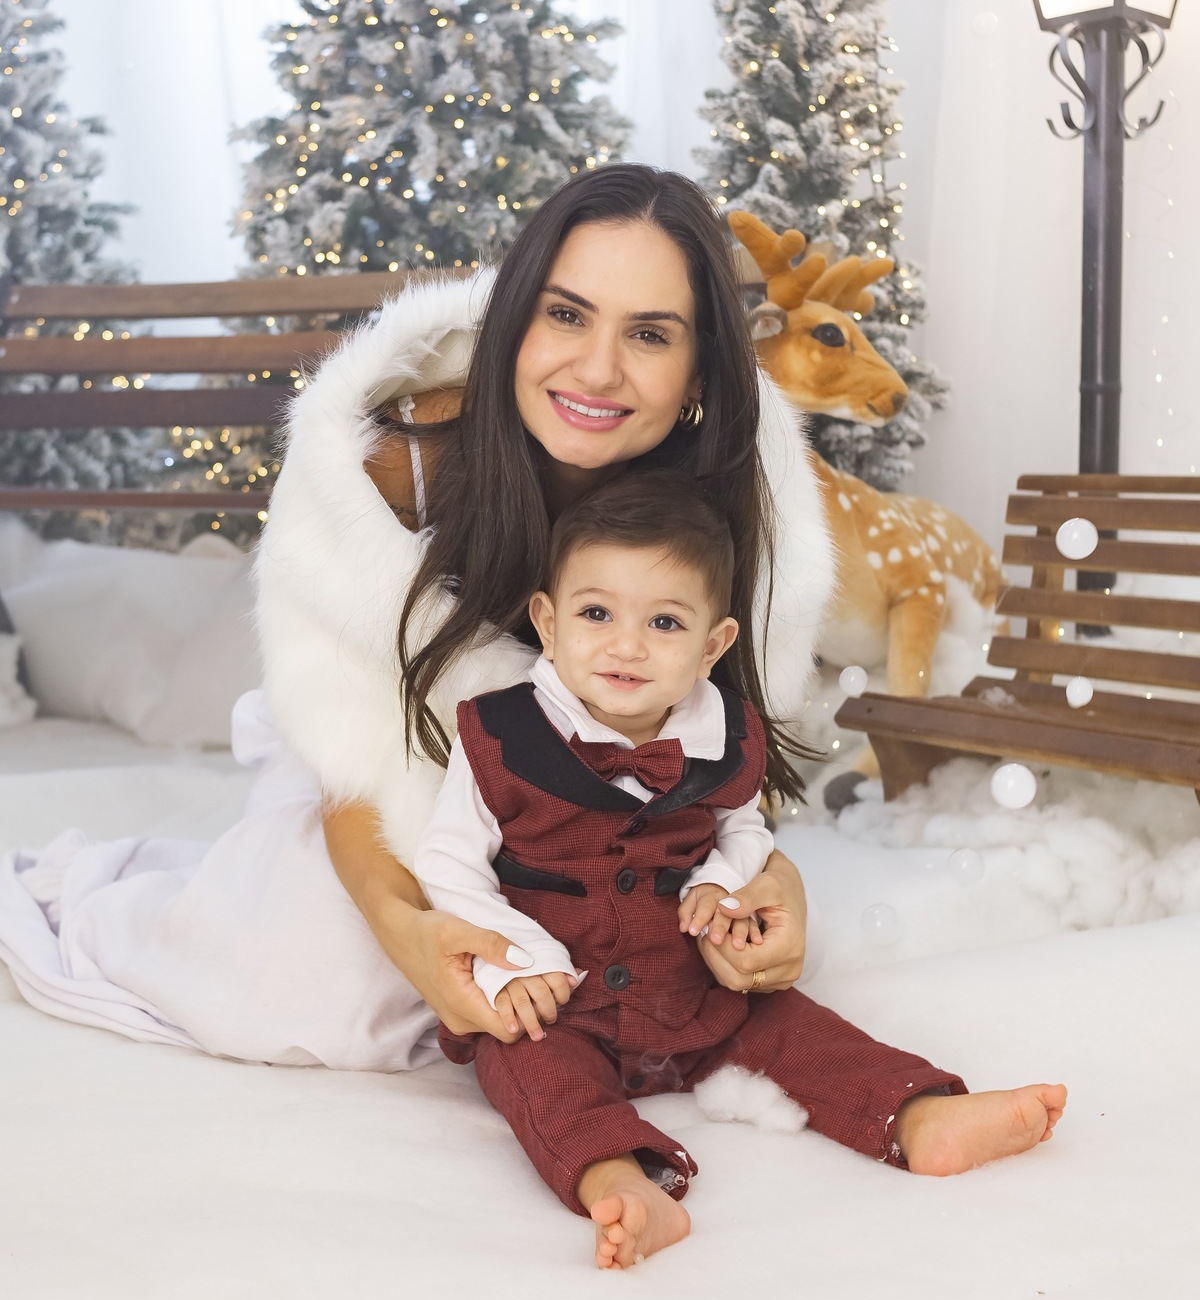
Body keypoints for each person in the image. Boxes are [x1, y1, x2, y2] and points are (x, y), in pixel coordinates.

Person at [0, 166, 830, 1068]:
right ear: (514, 316)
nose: (597, 368)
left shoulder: (739, 506)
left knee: (664, 983)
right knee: (336, 995)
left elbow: (725, 751)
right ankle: (113, 891)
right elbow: (353, 750)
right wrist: (405, 927)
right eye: (565, 314)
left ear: (700, 365)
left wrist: (768, 881)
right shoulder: (396, 463)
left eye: (649, 334)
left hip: (597, 800)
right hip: (391, 761)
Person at [415, 474, 1069, 1269]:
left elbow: (743, 829)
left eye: (664, 622)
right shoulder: (501, 732)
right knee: (525, 1065)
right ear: (548, 623)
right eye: (596, 614)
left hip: (693, 992)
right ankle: (622, 1181)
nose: (626, 645)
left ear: (713, 646)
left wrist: (719, 885)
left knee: (794, 1025)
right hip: (562, 1002)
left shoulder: (722, 732)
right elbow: (449, 864)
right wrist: (516, 962)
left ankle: (919, 1116)